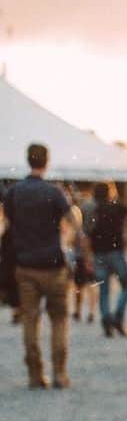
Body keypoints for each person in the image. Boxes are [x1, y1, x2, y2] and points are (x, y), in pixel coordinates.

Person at [2, 142, 80, 387]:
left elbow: (5, 224)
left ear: (28, 160)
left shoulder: (13, 192)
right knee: (59, 319)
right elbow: (74, 222)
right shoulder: (54, 192)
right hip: (53, 265)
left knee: (30, 320)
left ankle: (35, 374)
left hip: (24, 265)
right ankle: (60, 373)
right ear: (46, 162)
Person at [88, 181, 127, 338]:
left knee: (103, 289)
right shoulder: (117, 207)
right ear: (110, 192)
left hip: (98, 253)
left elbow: (86, 233)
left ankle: (106, 322)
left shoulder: (91, 209)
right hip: (116, 252)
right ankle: (118, 317)